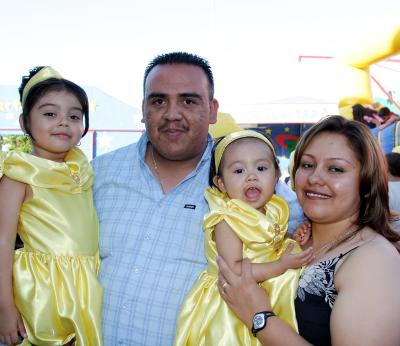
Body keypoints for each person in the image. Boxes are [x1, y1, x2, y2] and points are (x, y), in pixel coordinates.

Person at [92, 51, 305, 345]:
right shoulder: (101, 173)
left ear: (212, 109)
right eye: (158, 101)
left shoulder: (244, 178)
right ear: (143, 108)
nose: (171, 114)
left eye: (188, 100)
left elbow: (316, 223)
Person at [217, 115, 400, 345]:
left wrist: (259, 317)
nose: (315, 178)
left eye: (335, 169)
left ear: (366, 182)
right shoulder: (292, 236)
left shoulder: (375, 260)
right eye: (307, 165)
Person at [174, 130, 313, 345]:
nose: (251, 176)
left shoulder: (274, 208)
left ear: (276, 175)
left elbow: (267, 239)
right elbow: (235, 271)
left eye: (261, 168)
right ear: (221, 183)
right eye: (238, 170)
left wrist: (292, 236)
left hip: (263, 294)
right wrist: (281, 264)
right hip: (230, 305)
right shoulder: (227, 221)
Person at [0, 66, 103, 345]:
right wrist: (5, 307)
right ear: (24, 123)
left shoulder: (83, 171)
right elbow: (3, 242)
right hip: (42, 290)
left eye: (74, 116)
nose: (63, 122)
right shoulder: (18, 176)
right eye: (49, 114)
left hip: (84, 287)